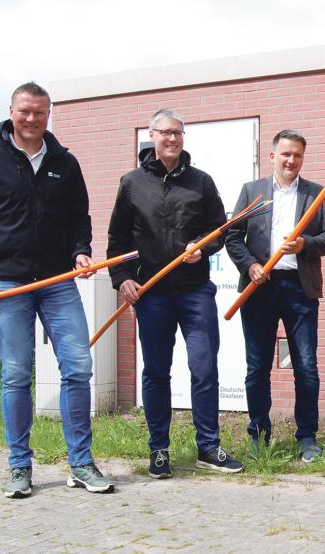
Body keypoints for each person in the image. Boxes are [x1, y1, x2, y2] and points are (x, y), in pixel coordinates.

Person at [0, 82, 112, 497]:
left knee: (78, 367)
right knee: (17, 373)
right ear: (11, 111)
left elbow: (79, 217)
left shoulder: (65, 162)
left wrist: (80, 252)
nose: (32, 119)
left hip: (57, 282)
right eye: (25, 111)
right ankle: (19, 467)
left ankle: (81, 463)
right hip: (7, 281)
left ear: (48, 114)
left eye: (40, 112)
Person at [106, 109, 243, 477]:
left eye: (178, 133)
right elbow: (117, 239)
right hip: (152, 293)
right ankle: (159, 450)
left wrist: (202, 246)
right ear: (152, 135)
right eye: (166, 132)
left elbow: (219, 229)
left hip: (195, 291)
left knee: (204, 367)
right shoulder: (132, 183)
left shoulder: (201, 182)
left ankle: (208, 447)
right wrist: (122, 279)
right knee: (156, 371)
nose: (172, 139)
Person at [225, 129, 325, 463]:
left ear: (303, 158)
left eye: (297, 155)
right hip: (259, 287)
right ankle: (258, 435)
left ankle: (307, 437)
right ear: (273, 155)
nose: (291, 160)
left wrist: (305, 244)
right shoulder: (253, 192)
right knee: (257, 366)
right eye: (286, 154)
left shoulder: (317, 194)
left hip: (300, 288)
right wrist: (250, 266)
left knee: (306, 365)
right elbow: (233, 236)